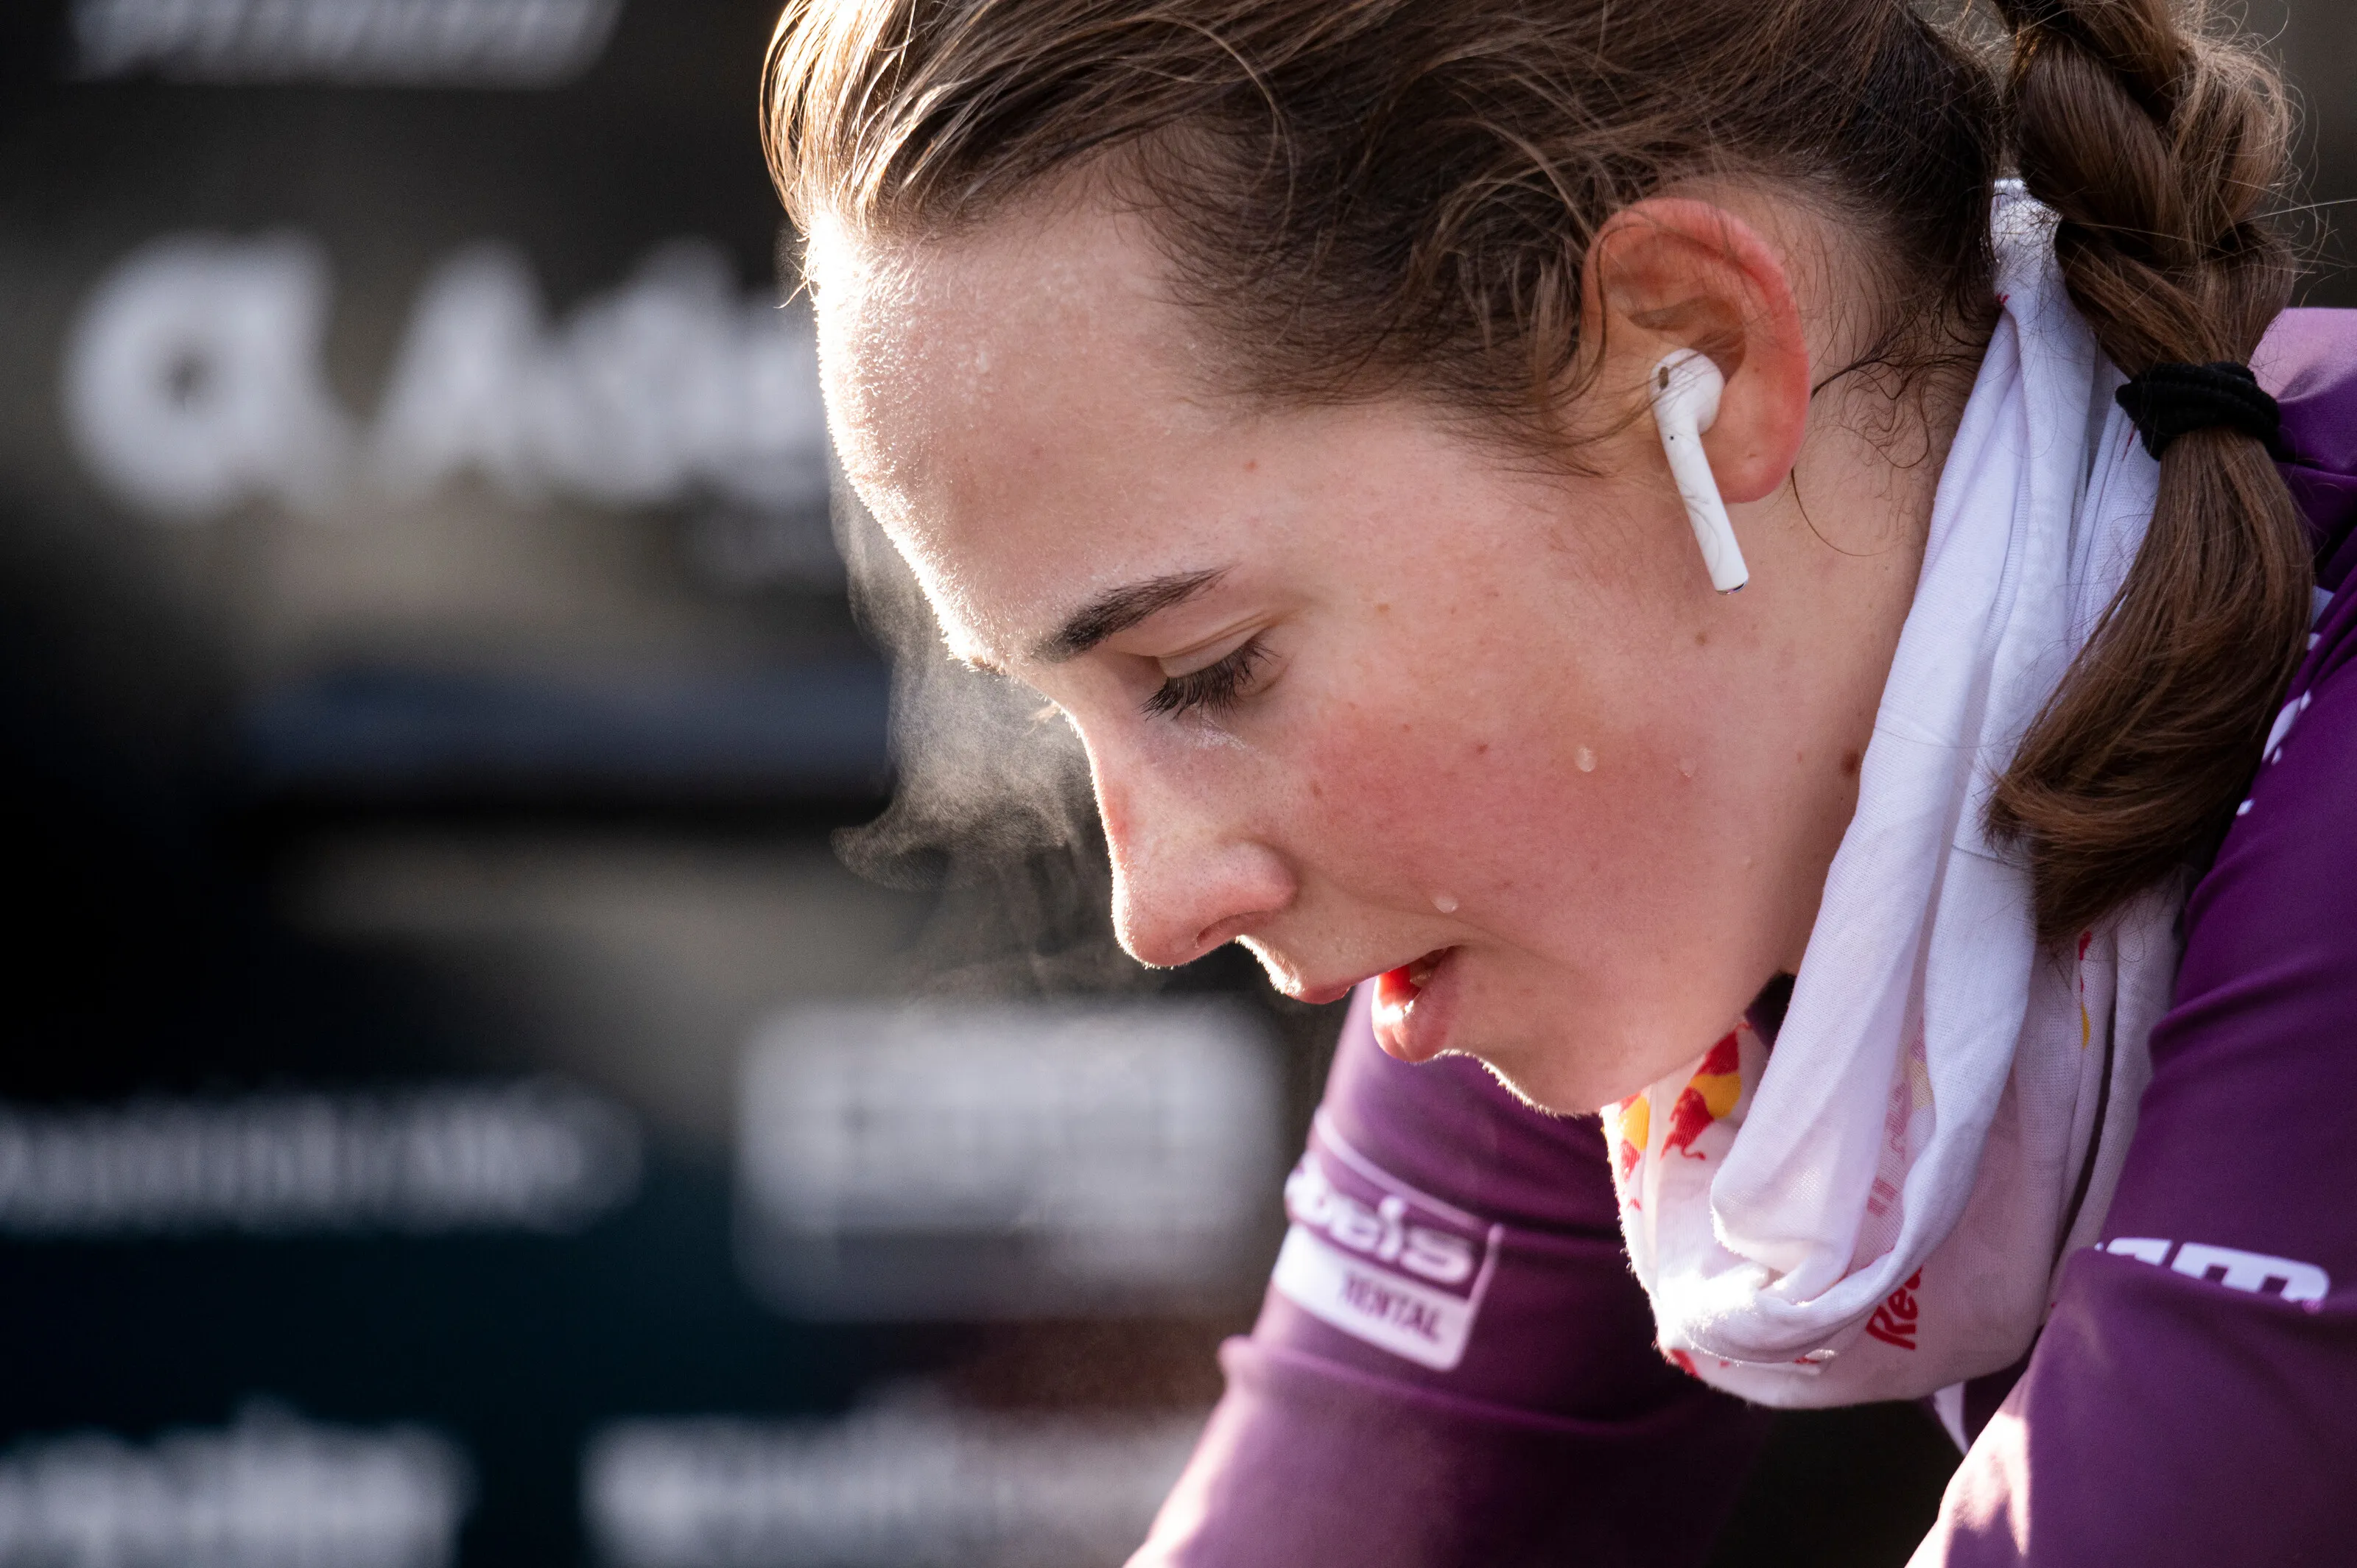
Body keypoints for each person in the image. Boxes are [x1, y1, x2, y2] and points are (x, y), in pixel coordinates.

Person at [761, 0, 2357, 1560]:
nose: (1154, 904)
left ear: (1699, 358)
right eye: (1063, 712)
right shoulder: (1633, 854)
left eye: (1206, 669)